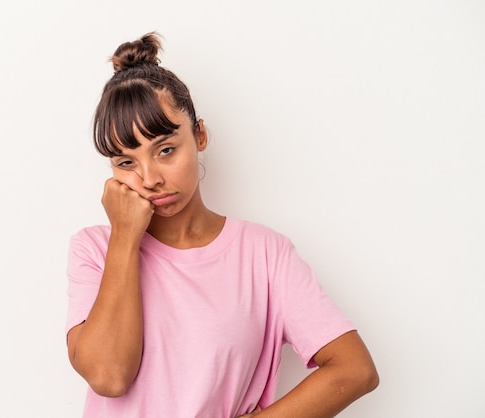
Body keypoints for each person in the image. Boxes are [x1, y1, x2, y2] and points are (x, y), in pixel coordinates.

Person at [65, 32, 379, 418]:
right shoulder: (95, 251)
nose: (148, 179)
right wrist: (126, 238)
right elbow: (109, 377)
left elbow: (355, 370)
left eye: (165, 150)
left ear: (199, 135)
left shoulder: (264, 254)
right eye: (126, 162)